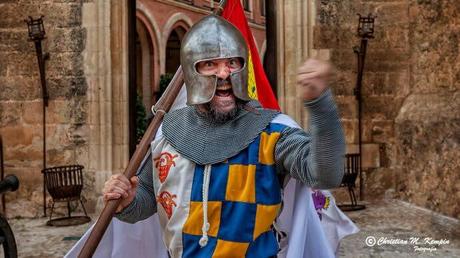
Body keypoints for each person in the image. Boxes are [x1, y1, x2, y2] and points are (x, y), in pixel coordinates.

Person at [103, 15, 345, 258]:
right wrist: (129, 201)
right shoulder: (170, 131)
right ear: (191, 71)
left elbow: (324, 173)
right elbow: (149, 194)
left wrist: (319, 104)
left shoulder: (272, 133)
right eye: (210, 64)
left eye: (232, 62)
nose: (223, 73)